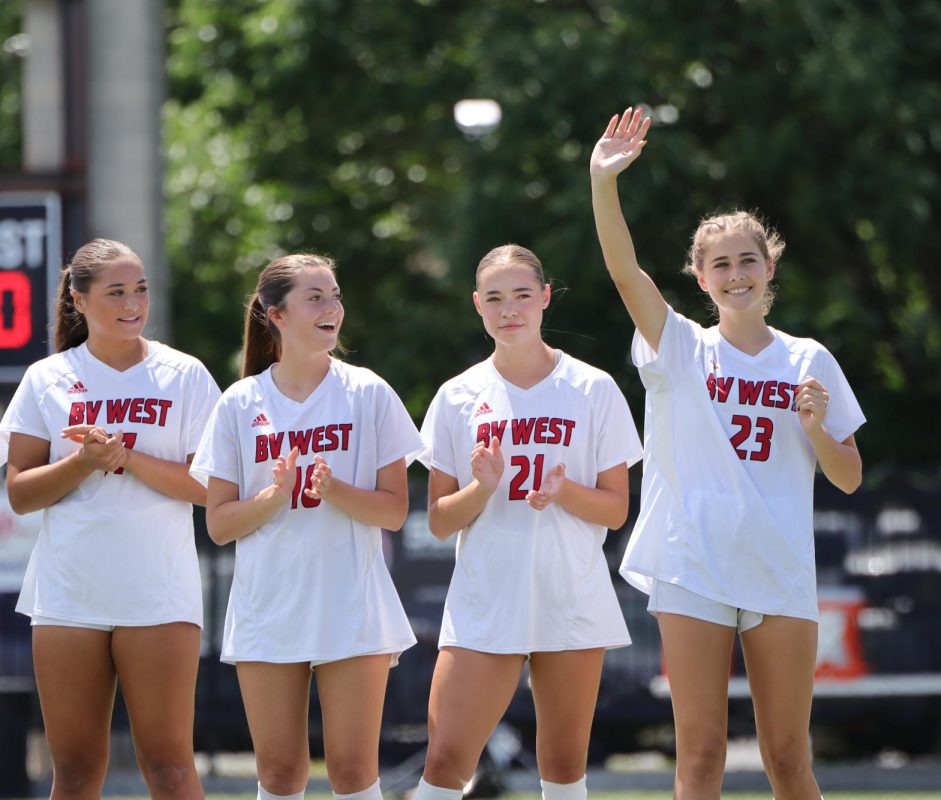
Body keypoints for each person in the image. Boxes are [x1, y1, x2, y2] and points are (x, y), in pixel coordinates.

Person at [590, 108, 865, 800]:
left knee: (787, 757)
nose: (736, 273)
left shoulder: (810, 358)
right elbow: (625, 274)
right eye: (721, 264)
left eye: (748, 260)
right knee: (702, 757)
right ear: (700, 276)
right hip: (694, 565)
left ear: (768, 267)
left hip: (779, 569)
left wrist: (818, 431)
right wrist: (603, 182)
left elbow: (850, 477)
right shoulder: (680, 343)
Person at [410, 244, 642, 800]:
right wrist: (482, 488)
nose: (508, 309)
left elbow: (615, 510)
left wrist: (564, 493)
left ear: (544, 298)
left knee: (562, 767)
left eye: (520, 295)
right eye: (494, 298)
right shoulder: (456, 396)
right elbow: (440, 522)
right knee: (444, 762)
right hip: (486, 597)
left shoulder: (592, 387)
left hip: (570, 594)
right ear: (477, 305)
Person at [189, 254, 422, 800]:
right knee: (279, 774)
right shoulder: (239, 403)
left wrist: (334, 490)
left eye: (335, 295)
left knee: (351, 770)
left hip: (353, 604)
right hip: (268, 609)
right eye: (314, 297)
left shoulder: (368, 392)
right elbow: (220, 525)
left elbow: (392, 511)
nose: (331, 308)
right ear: (276, 314)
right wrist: (273, 496)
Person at [0, 238, 219, 800]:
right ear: (79, 299)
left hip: (159, 594)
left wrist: (124, 456)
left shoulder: (185, 375)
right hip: (68, 596)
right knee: (73, 773)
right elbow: (21, 495)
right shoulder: (46, 378)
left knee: (170, 769)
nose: (133, 303)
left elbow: (206, 486)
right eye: (116, 291)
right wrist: (83, 461)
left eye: (140, 289)